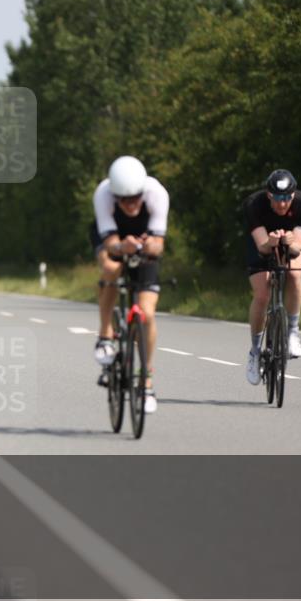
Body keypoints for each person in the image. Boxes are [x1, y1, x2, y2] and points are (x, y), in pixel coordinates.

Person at [92, 156, 169, 414]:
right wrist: (119, 247)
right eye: (124, 200)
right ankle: (104, 336)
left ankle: (146, 382)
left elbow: (159, 245)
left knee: (146, 313)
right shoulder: (103, 194)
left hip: (145, 243)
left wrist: (150, 247)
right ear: (115, 195)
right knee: (111, 270)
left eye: (135, 198)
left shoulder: (157, 193)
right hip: (114, 237)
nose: (131, 204)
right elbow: (110, 241)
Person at [244, 169, 301, 384]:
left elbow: (296, 249)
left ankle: (293, 332)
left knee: (294, 275)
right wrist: (271, 243)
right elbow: (262, 248)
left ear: (293, 196)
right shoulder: (254, 204)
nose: (282, 204)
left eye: (286, 199)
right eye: (277, 198)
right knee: (263, 294)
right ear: (268, 195)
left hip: (289, 245)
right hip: (262, 245)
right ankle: (255, 352)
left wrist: (288, 243)